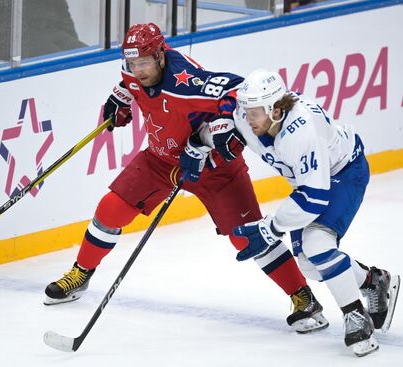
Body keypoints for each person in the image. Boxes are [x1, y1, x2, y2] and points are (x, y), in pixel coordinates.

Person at [43, 23, 329, 334]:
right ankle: (80, 274)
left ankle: (303, 297)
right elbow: (128, 82)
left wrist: (217, 127)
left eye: (144, 63)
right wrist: (121, 98)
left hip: (215, 168)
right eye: (131, 64)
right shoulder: (133, 71)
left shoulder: (185, 81)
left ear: (161, 57)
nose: (137, 71)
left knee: (247, 236)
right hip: (160, 160)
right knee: (111, 208)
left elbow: (235, 88)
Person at [211, 68, 400, 356]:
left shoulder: (301, 131)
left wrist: (269, 228)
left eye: (256, 112)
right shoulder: (252, 114)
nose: (248, 119)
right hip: (311, 183)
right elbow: (228, 95)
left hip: (345, 172)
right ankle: (373, 281)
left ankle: (354, 314)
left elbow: (313, 199)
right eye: (247, 111)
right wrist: (204, 139)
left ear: (276, 109)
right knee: (310, 265)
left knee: (317, 245)